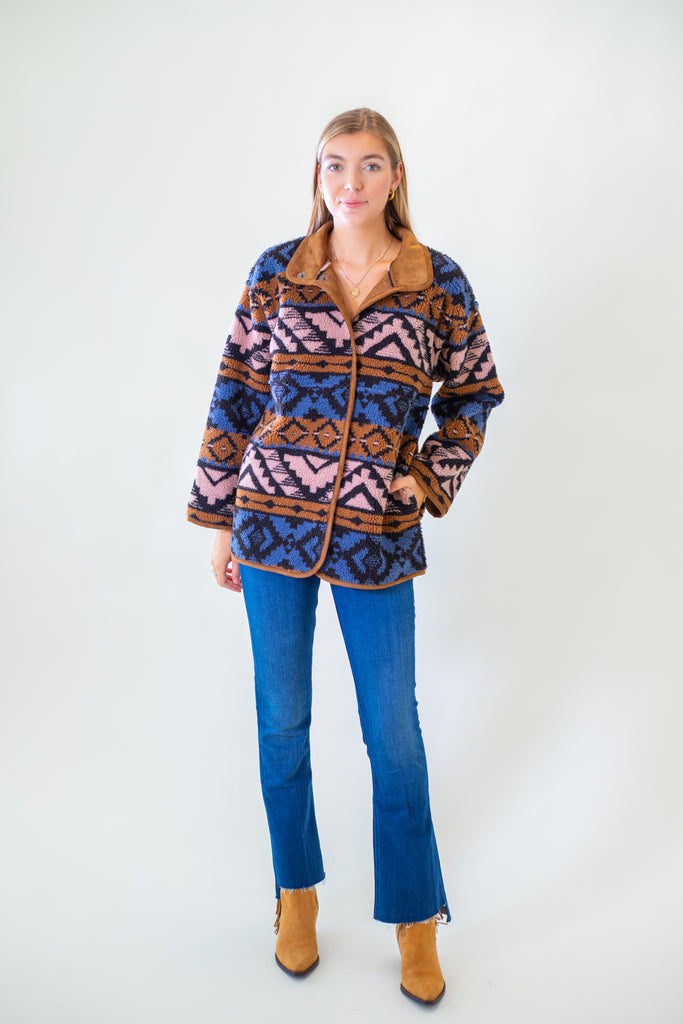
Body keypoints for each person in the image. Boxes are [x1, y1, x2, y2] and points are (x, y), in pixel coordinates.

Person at [187, 108, 504, 1006]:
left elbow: (475, 393)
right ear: (317, 176)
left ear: (395, 176)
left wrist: (425, 477)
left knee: (392, 733)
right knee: (281, 721)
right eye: (334, 165)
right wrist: (219, 519)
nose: (350, 182)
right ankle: (295, 894)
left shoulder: (437, 282)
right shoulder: (276, 273)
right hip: (268, 523)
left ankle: (413, 917)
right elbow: (236, 391)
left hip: (376, 531)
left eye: (369, 165)